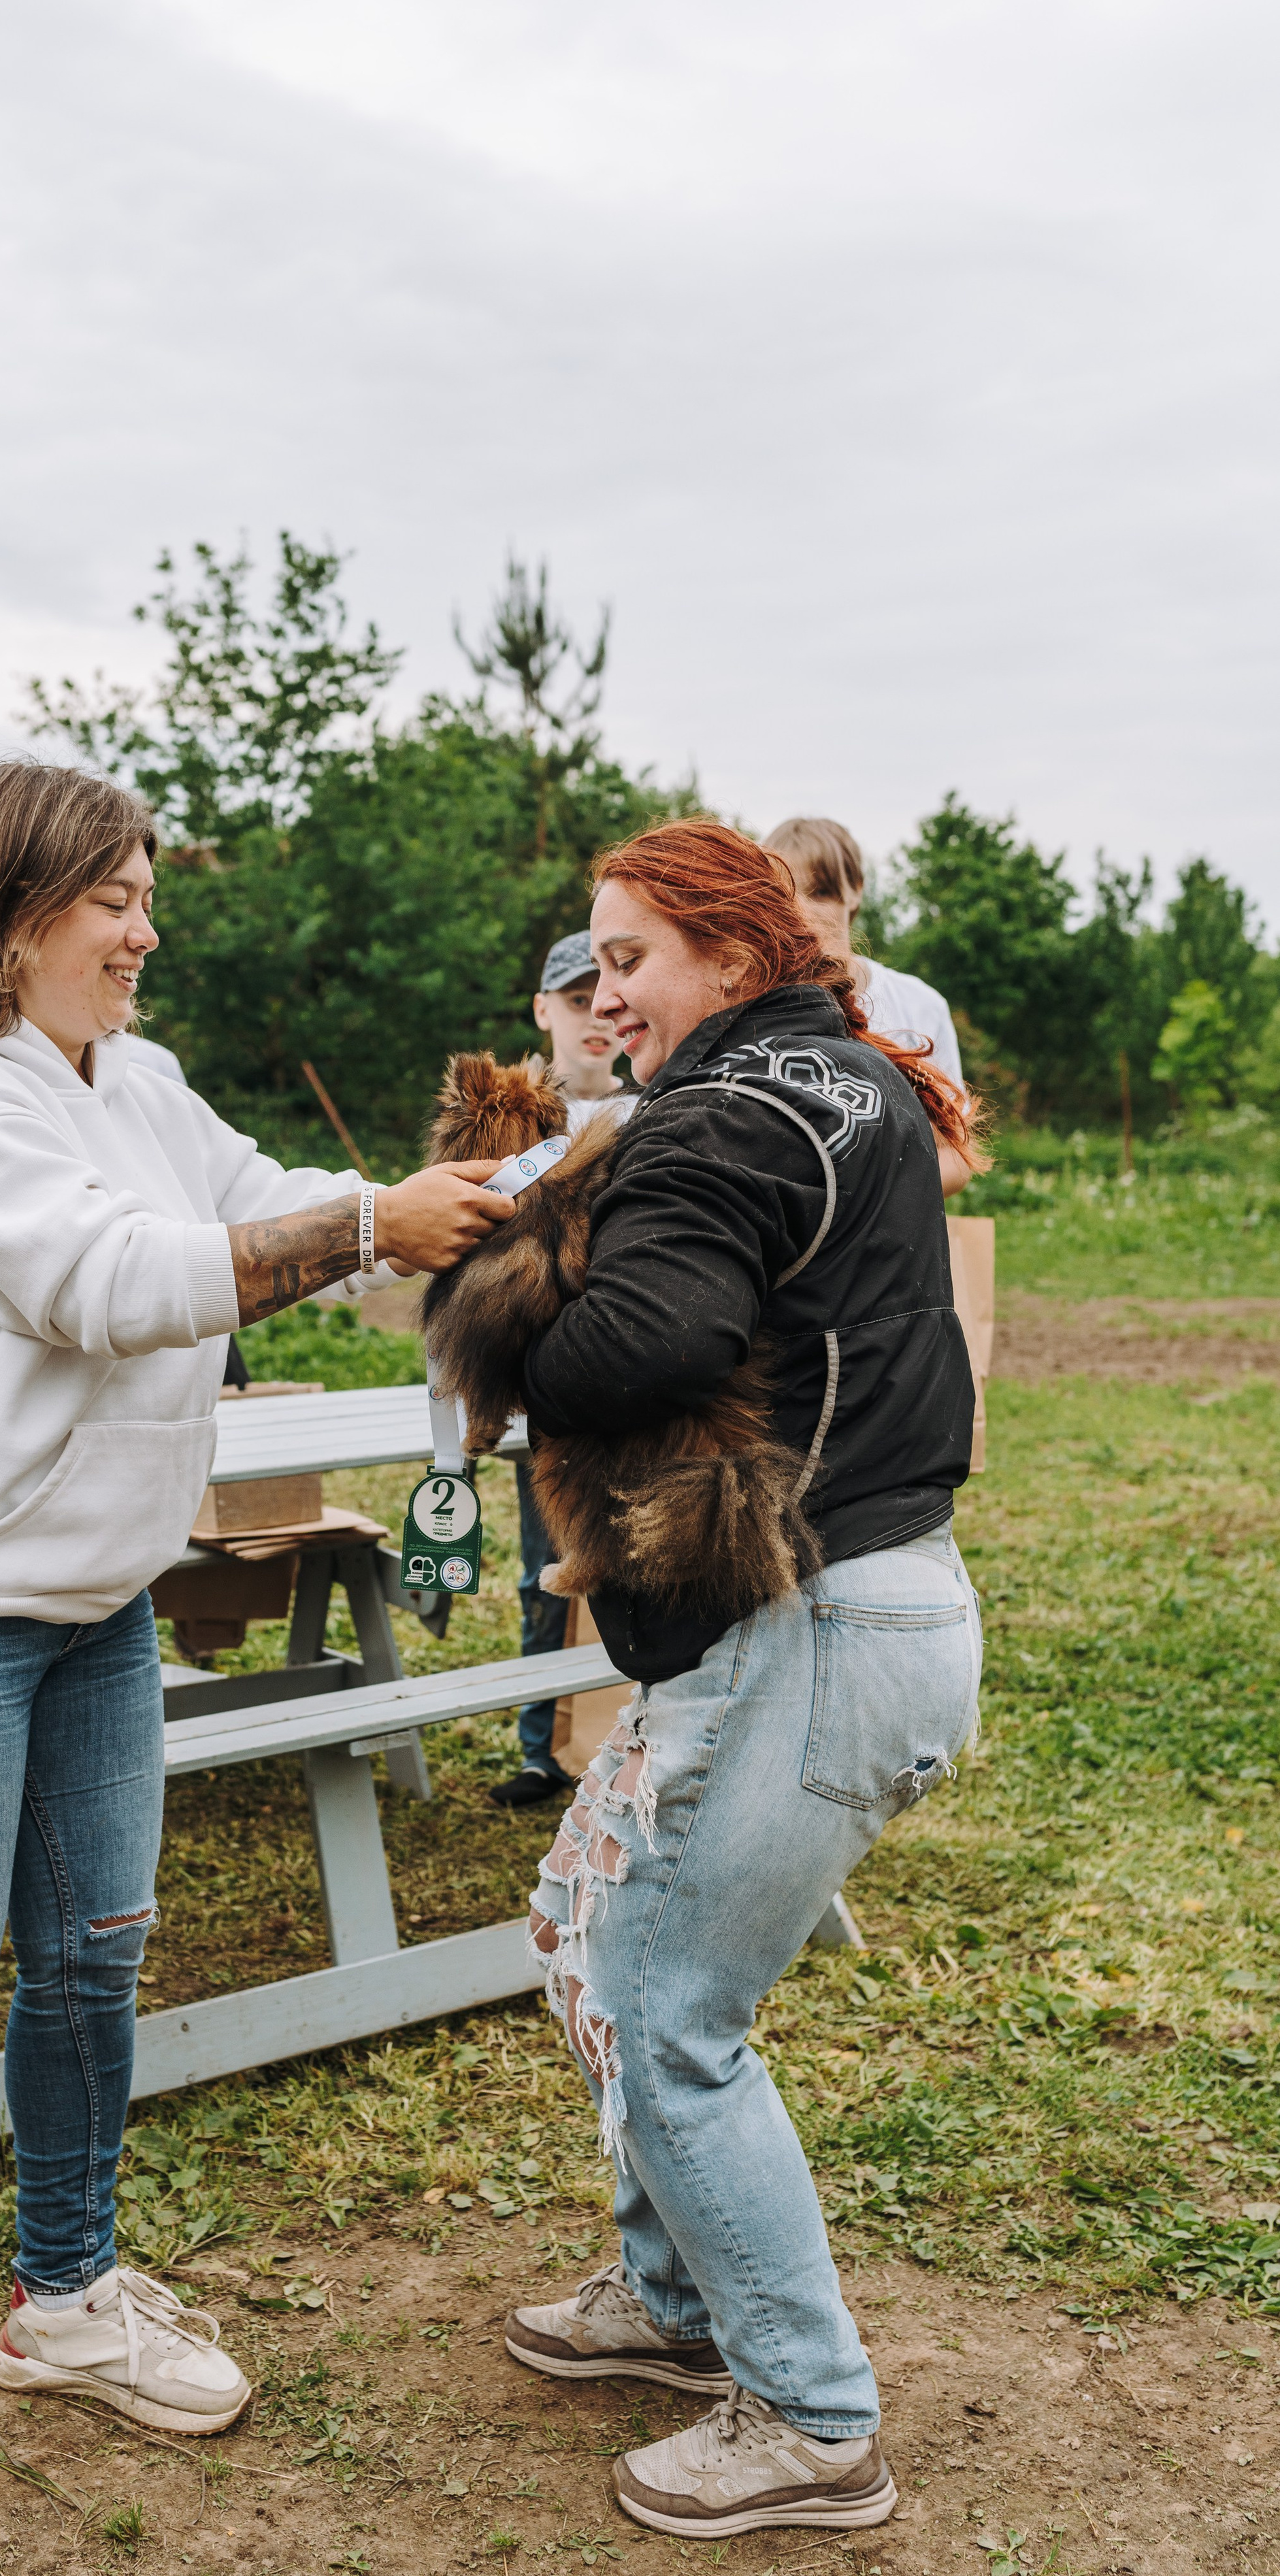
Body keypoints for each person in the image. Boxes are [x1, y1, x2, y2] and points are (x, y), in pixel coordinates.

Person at [0, 759, 513, 2571]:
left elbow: (257, 1199)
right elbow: (119, 1277)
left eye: (147, 895)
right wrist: (367, 1223)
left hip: (92, 1602)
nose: (147, 930)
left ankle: (63, 2292)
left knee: (90, 1958)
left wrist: (438, 1208)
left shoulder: (132, 1077)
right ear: (14, 916)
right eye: (116, 900)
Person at [499, 819, 982, 2544]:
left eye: (626, 956)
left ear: (723, 949)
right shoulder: (845, 1073)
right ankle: (673, 2297)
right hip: (877, 1604)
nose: (601, 989)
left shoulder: (720, 1108)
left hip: (815, 1627)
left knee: (664, 2014)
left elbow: (648, 1338)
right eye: (593, 960)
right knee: (585, 1921)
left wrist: (497, 1321)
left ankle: (807, 2412)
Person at [487, 932, 638, 1811]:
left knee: (637, 1560)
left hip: (630, 1371)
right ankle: (544, 1748)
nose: (594, 1015)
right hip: (535, 1379)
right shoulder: (514, 1117)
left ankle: (625, 1740)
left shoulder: (654, 1107)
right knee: (546, 1569)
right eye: (574, 999)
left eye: (608, 994)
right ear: (543, 1010)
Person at [763, 816, 963, 1083]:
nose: (804, 912)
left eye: (821, 892)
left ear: (856, 888)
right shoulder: (753, 1011)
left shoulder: (921, 1007)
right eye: (786, 895)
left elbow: (951, 1120)